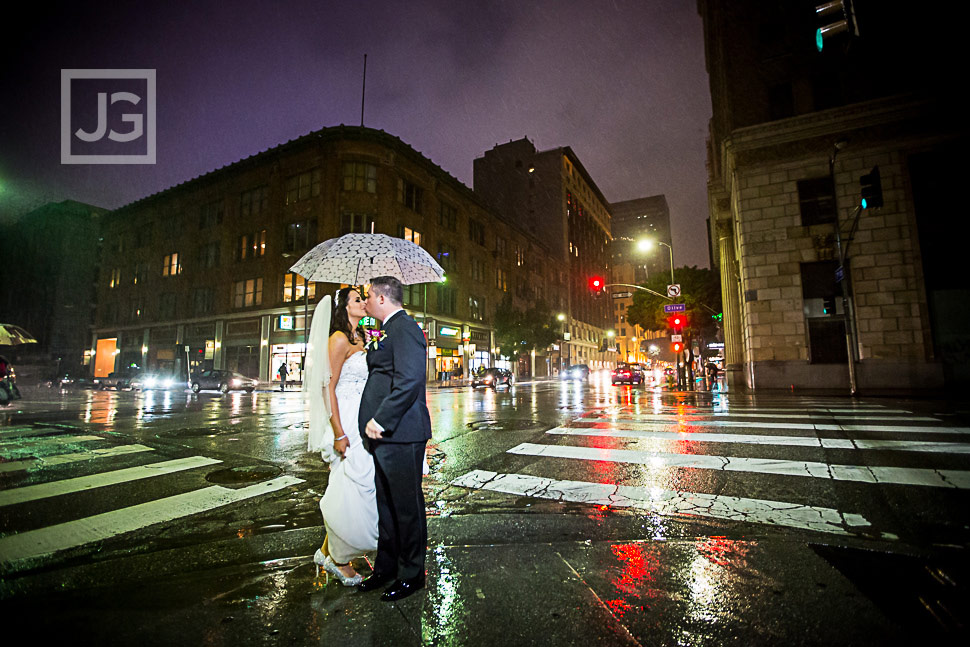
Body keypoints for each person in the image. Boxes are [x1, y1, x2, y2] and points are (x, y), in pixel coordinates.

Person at [357, 275, 433, 602]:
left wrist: (381, 420)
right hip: (384, 438)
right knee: (386, 507)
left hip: (401, 434)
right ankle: (385, 567)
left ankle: (412, 573)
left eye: (368, 296)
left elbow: (410, 381)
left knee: (406, 508)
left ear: (383, 298)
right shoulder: (386, 329)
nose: (365, 302)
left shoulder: (406, 328)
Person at [305, 287, 378, 586]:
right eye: (357, 300)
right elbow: (327, 387)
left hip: (364, 414)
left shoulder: (362, 336)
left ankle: (328, 550)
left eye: (363, 298)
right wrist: (338, 431)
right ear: (344, 307)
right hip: (346, 417)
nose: (363, 303)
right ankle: (339, 559)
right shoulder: (337, 339)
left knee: (361, 485)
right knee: (348, 486)